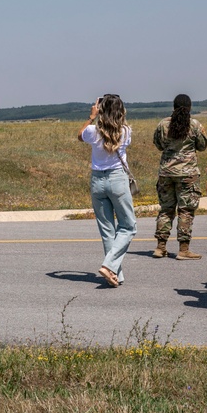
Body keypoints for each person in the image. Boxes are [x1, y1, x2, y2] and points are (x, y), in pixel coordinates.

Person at [78, 95, 137, 287]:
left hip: (97, 180)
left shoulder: (92, 131)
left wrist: (91, 116)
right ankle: (109, 265)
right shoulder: (126, 131)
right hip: (117, 179)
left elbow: (80, 135)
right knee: (128, 226)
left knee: (107, 230)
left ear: (100, 110)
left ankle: (114, 274)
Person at [153, 94, 207, 260]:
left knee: (166, 209)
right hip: (187, 174)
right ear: (190, 107)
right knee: (186, 210)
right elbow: (202, 145)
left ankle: (160, 247)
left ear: (174, 106)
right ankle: (183, 249)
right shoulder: (195, 125)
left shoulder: (163, 124)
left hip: (166, 173)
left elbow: (158, 144)